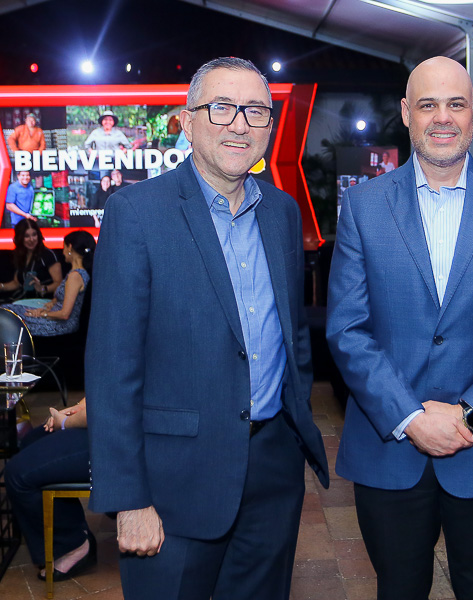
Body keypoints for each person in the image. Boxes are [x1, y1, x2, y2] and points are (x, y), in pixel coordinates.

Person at [85, 57, 328, 600]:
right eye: (222, 108)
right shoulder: (136, 213)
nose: (240, 124)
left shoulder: (282, 213)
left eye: (256, 111)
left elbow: (291, 336)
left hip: (272, 474)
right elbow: (111, 369)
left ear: (269, 126)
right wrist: (129, 499)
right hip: (173, 486)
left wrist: (293, 433)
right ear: (188, 121)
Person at [326, 56, 473, 600]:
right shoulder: (362, 206)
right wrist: (410, 417)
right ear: (406, 113)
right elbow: (347, 328)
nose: (442, 117)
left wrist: (470, 413)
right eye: (428, 104)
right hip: (390, 450)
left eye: (455, 104)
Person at [5, 398, 94, 582]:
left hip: (118, 439)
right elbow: (102, 393)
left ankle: (73, 545)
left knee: (17, 474)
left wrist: (65, 422)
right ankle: (73, 529)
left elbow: (108, 409)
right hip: (101, 422)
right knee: (31, 440)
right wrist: (76, 409)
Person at [3, 229, 93, 336]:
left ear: (69, 247)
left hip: (59, 324)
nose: (63, 252)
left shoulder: (75, 276)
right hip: (53, 316)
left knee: (7, 315)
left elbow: (64, 314)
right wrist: (50, 304)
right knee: (7, 310)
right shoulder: (75, 274)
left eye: (64, 247)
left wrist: (42, 314)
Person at [0, 220, 63, 300]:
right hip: (22, 298)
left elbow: (59, 283)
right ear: (20, 238)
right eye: (26, 236)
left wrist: (42, 289)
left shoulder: (48, 255)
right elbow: (17, 283)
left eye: (34, 235)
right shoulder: (21, 255)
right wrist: (2, 286)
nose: (31, 239)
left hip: (42, 301)